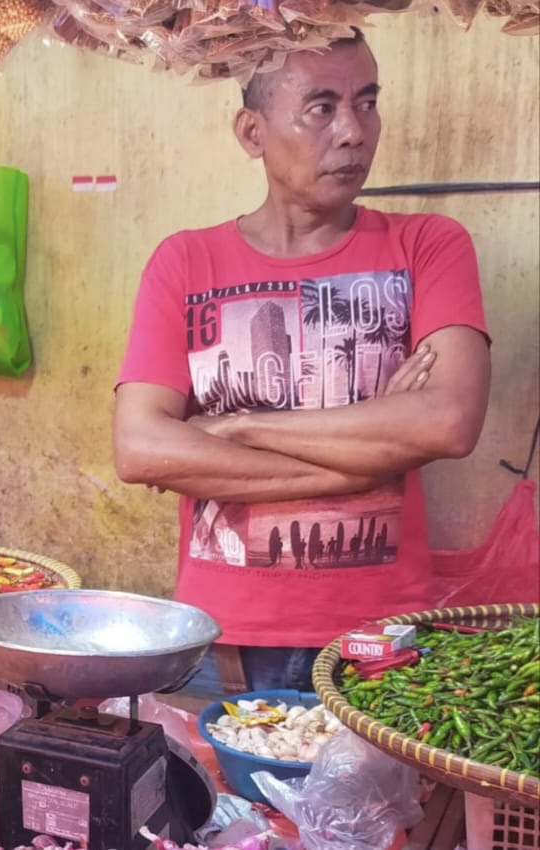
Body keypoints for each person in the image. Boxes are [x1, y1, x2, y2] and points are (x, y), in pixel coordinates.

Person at [112, 29, 492, 697]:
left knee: (380, 804)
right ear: (252, 132)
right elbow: (142, 449)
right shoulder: (185, 262)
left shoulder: (428, 246)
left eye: (367, 103)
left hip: (380, 639)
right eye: (321, 107)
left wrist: (233, 428)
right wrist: (372, 457)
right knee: (233, 800)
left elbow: (449, 423)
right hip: (225, 641)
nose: (353, 132)